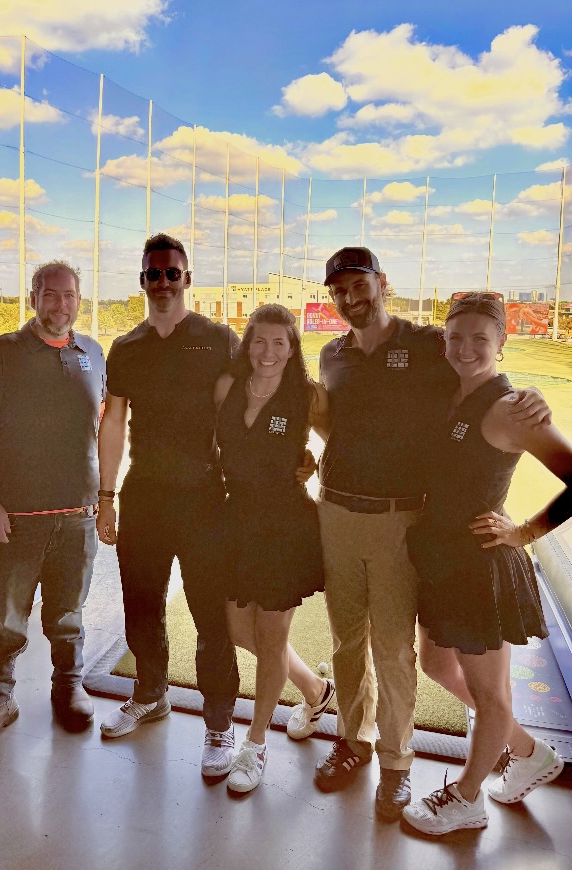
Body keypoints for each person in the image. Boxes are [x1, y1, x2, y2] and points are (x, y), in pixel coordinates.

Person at [313, 247, 551, 821]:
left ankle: (397, 764)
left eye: (360, 285)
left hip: (403, 520)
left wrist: (528, 397)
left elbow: (482, 368)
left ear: (382, 283)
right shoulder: (330, 354)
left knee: (395, 649)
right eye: (339, 290)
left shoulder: (427, 344)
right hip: (338, 512)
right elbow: (335, 423)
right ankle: (353, 741)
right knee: (350, 642)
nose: (351, 298)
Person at [402, 293, 569, 835]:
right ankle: (528, 752)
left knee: (492, 693)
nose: (465, 349)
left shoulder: (511, 409)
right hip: (441, 560)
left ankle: (467, 799)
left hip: (479, 567)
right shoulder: (450, 390)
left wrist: (523, 532)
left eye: (480, 338)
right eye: (455, 337)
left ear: (502, 344)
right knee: (436, 665)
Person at [96, 233, 241, 778]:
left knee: (210, 615)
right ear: (142, 281)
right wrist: (106, 497)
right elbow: (114, 422)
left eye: (172, 273)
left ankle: (219, 723)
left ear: (187, 279)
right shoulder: (127, 347)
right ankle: (150, 694)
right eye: (153, 274)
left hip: (205, 496)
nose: (163, 282)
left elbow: (240, 416)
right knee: (141, 605)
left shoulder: (218, 339)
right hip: (144, 495)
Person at [0, 261, 105, 757]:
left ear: (79, 299)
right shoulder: (3, 352)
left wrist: (105, 496)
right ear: (33, 298)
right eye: (50, 294)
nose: (60, 304)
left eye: (69, 294)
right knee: (4, 620)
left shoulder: (93, 354)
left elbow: (103, 428)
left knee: (68, 615)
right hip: (15, 517)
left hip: (78, 514)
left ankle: (68, 687)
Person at [213, 304, 335, 793]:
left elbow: (343, 445)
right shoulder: (227, 386)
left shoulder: (308, 395)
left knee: (270, 637)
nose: (267, 351)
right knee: (240, 631)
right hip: (237, 521)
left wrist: (312, 463)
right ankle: (317, 689)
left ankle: (256, 743)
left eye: (278, 342)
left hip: (286, 525)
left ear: (292, 347)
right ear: (247, 344)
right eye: (258, 341)